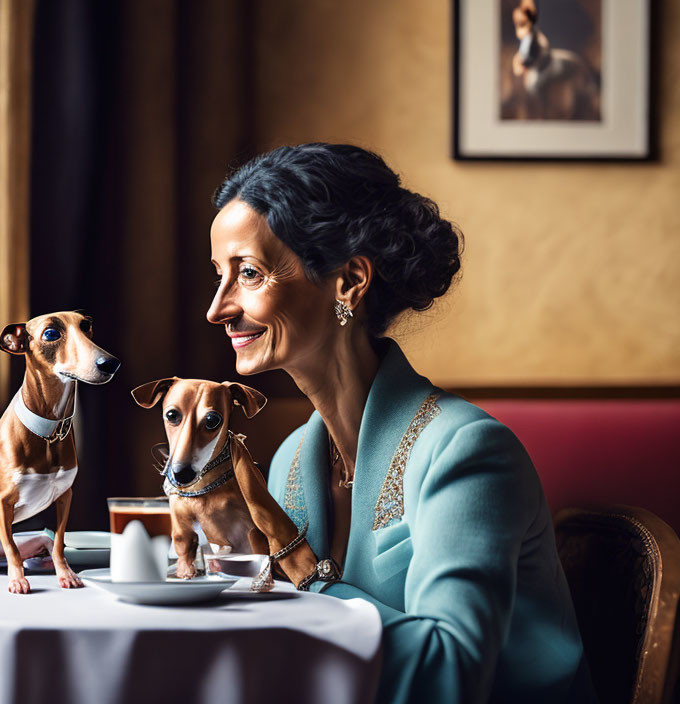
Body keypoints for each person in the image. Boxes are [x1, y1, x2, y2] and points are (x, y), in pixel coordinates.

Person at [206, 143, 596, 703]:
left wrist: (308, 579)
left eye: (247, 273)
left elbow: (450, 672)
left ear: (350, 282)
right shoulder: (294, 456)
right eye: (219, 275)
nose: (217, 308)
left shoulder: (467, 451)